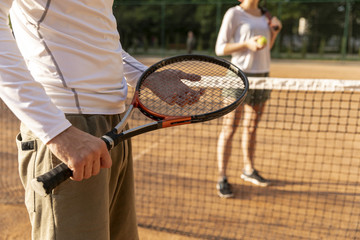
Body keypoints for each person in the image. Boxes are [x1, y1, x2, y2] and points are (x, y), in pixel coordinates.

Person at [0, 1, 203, 239]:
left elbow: (96, 33)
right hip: (68, 127)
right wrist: (57, 132)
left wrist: (143, 75)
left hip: (114, 125)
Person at [215, 0, 282, 198]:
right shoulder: (234, 14)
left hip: (262, 76)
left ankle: (249, 169)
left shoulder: (266, 16)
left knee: (252, 127)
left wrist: (275, 32)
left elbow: (267, 47)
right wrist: (246, 44)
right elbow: (220, 48)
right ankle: (222, 177)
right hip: (238, 76)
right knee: (229, 128)